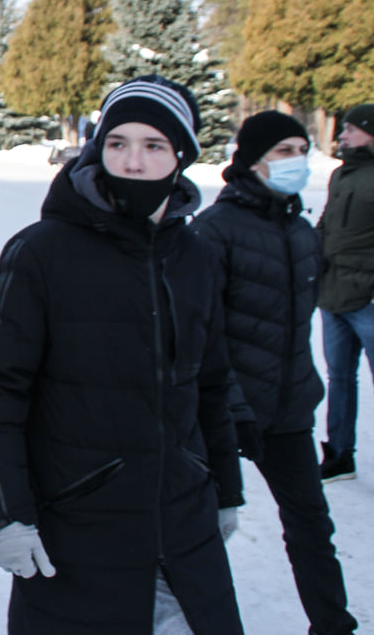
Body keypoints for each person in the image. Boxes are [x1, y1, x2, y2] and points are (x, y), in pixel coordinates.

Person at [0, 75, 245, 634]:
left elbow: (212, 382)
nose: (133, 162)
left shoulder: (198, 256)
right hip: (79, 526)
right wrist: (6, 516)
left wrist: (225, 488)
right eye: (118, 144)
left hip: (184, 525)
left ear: (182, 156)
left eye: (153, 146)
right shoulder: (42, 252)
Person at [191, 111, 357, 635]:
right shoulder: (214, 231)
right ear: (253, 159)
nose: (297, 162)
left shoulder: (300, 229)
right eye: (285, 151)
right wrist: (229, 407)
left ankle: (333, 625)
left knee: (311, 525)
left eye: (301, 151)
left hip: (287, 411)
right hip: (221, 413)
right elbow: (202, 332)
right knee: (201, 530)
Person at [316, 102, 374, 483]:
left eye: (352, 129)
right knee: (339, 378)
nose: (343, 135)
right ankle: (340, 454)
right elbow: (327, 225)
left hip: (367, 296)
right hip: (333, 293)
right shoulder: (341, 175)